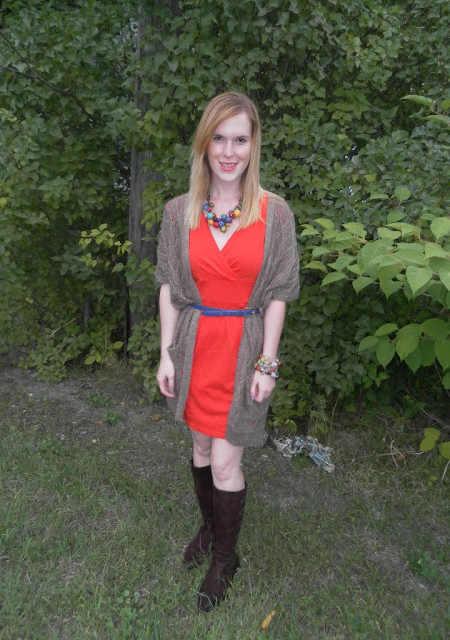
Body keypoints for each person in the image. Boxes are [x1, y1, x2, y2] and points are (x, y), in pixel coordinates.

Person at [155, 92, 300, 611]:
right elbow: (170, 287)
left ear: (253, 145)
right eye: (218, 138)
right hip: (195, 348)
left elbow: (279, 292)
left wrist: (268, 363)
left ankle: (224, 558)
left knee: (223, 461)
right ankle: (209, 526)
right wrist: (167, 353)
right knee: (199, 449)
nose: (228, 151)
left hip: (244, 352)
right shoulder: (179, 213)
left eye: (240, 139)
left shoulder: (274, 214)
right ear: (204, 143)